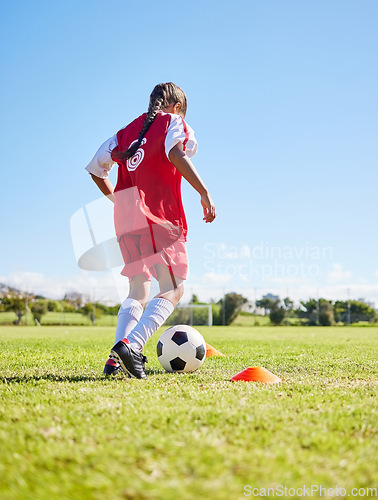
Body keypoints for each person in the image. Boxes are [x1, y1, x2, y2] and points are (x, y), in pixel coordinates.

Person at [85, 82, 216, 379]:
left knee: (137, 290)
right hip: (160, 217)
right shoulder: (173, 121)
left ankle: (114, 359)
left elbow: (95, 168)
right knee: (173, 288)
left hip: (126, 219)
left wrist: (118, 199)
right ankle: (132, 345)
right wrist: (204, 191)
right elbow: (174, 153)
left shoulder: (123, 134)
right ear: (178, 106)